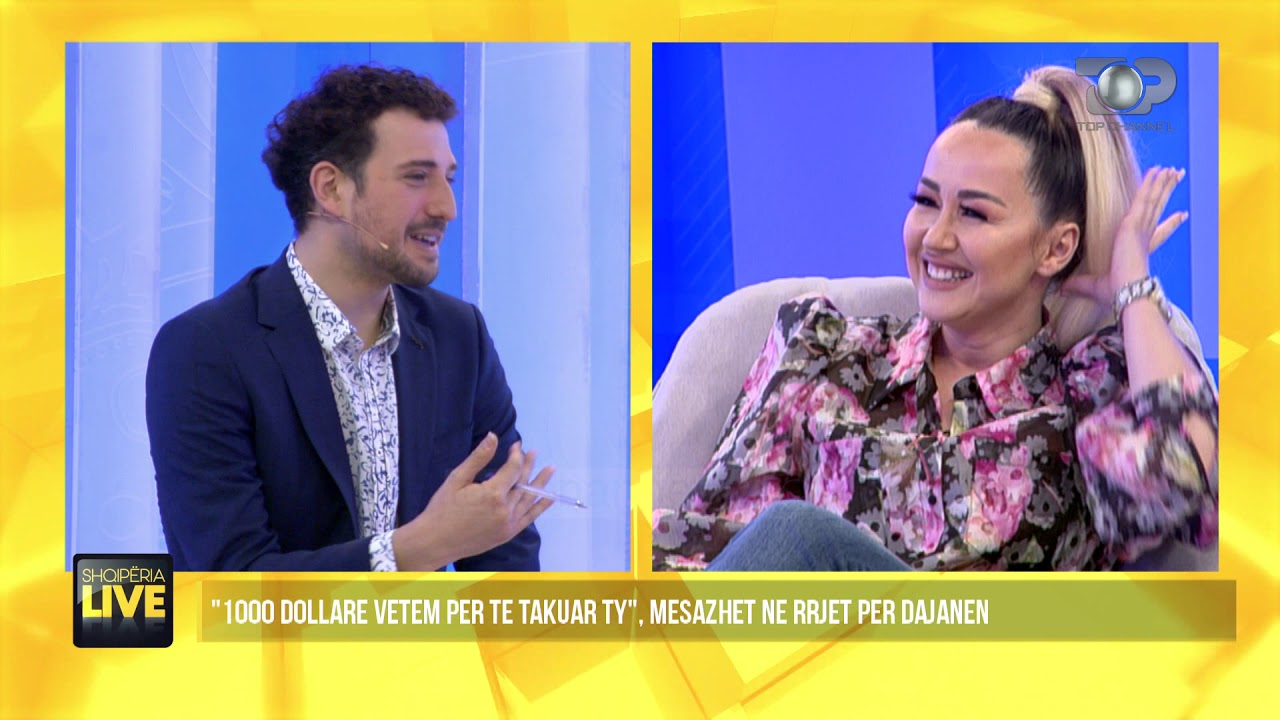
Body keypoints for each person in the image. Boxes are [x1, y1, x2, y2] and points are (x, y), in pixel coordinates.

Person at [652, 65, 1218, 572]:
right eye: (926, 202)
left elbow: (1175, 484)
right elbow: (725, 550)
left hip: (984, 653)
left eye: (973, 213)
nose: (936, 237)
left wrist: (1132, 290)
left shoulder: (1091, 387)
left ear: (1056, 248)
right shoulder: (823, 351)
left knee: (799, 533)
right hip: (804, 651)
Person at [146, 65, 554, 572]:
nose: (447, 207)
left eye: (448, 179)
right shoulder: (206, 348)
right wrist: (415, 549)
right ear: (331, 188)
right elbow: (233, 582)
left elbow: (508, 561)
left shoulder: (458, 335)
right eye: (416, 177)